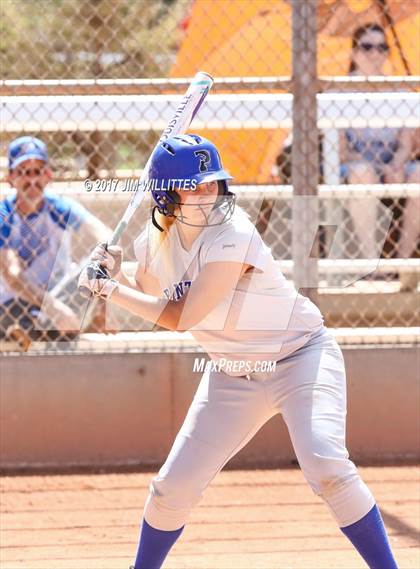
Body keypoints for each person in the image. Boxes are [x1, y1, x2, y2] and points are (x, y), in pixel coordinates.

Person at [79, 134, 399, 569]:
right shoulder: (153, 241)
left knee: (326, 465)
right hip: (232, 375)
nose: (207, 191)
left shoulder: (234, 233)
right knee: (172, 487)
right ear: (166, 195)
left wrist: (108, 290)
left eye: (211, 182)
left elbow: (182, 317)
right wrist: (118, 272)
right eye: (193, 185)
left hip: (300, 357)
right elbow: (150, 289)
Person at [0, 135, 110, 346]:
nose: (32, 180)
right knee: (14, 314)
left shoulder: (59, 207)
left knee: (102, 256)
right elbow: (12, 274)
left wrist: (103, 306)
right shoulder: (4, 214)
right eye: (24, 172)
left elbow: (104, 236)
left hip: (61, 297)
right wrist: (53, 308)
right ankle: (40, 329)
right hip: (18, 302)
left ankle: (39, 331)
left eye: (37, 171)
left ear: (48, 175)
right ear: (10, 178)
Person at [339, 23, 419, 259]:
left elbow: (406, 145)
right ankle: (371, 261)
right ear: (354, 53)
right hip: (355, 162)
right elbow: (341, 151)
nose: (376, 54)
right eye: (367, 47)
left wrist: (395, 164)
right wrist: (377, 166)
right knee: (364, 173)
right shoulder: (339, 91)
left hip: (392, 160)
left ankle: (402, 262)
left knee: (419, 174)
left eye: (382, 47)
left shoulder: (399, 91)